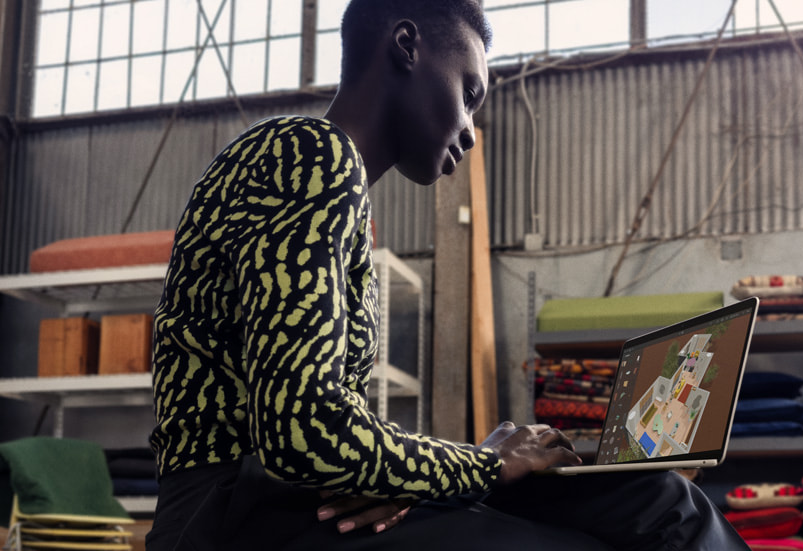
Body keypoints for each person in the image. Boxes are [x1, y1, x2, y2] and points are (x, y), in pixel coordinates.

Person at [145, 1, 749, 549]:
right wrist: (482, 464)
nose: (469, 129)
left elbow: (314, 429)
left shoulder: (330, 181)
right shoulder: (311, 155)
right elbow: (303, 427)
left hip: (297, 495)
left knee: (656, 499)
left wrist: (401, 479)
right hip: (232, 515)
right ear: (406, 46)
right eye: (468, 93)